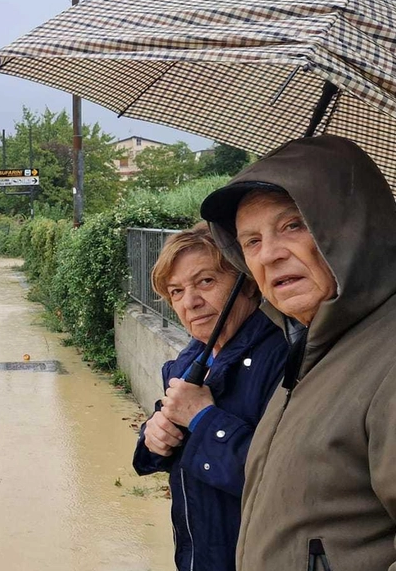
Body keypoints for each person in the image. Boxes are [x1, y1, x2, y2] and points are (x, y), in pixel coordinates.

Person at [198, 135, 396, 571]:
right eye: (251, 241)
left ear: (356, 224)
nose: (269, 255)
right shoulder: (323, 338)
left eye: (294, 225)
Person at [132, 225, 289, 571]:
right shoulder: (190, 359)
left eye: (206, 282)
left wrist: (204, 420)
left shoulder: (285, 361)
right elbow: (163, 437)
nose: (191, 302)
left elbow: (285, 484)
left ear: (247, 283)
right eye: (176, 291)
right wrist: (153, 437)